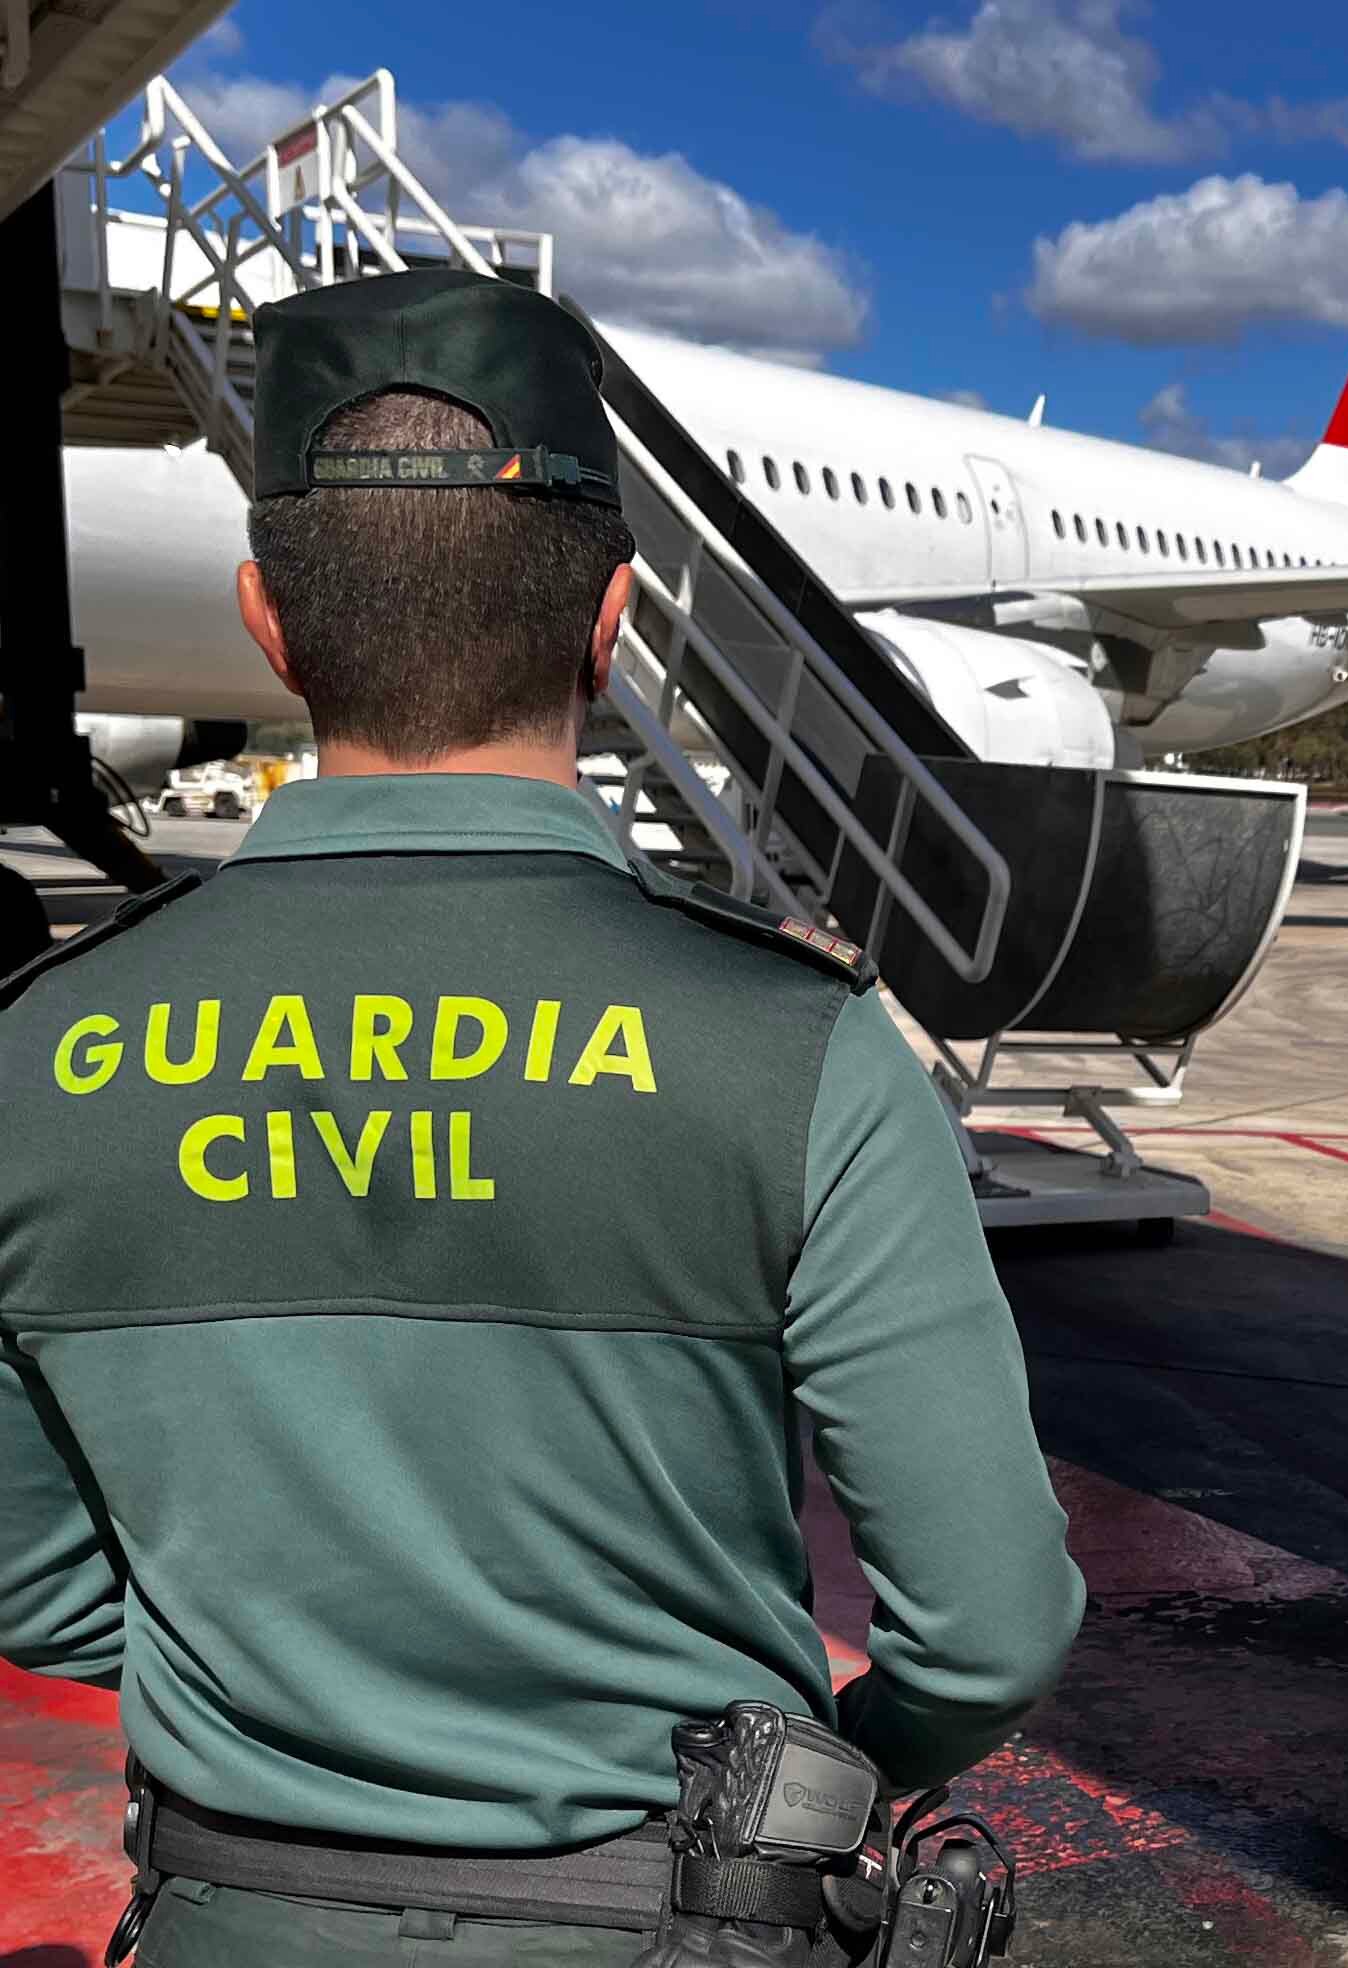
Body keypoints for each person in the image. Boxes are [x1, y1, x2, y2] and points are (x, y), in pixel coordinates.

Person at [0, 268, 1083, 1964]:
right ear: (611, 621)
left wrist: (267, 1717)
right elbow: (992, 1624)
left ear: (268, 621)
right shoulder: (793, 1042)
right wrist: (825, 1782)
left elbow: (30, 1577)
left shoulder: (40, 1045)